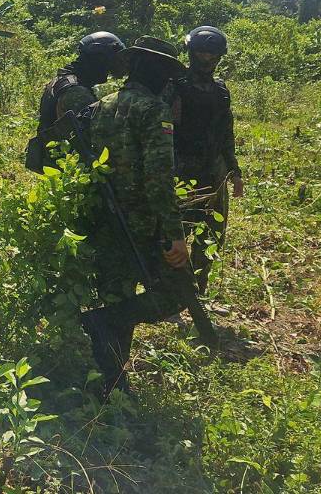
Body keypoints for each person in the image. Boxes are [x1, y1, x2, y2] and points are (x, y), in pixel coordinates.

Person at [77, 36, 192, 398]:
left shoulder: (100, 106)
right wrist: (175, 234)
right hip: (142, 226)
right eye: (165, 72)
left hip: (103, 220)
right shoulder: (153, 110)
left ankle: (112, 383)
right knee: (175, 293)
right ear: (154, 71)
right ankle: (102, 336)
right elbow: (159, 179)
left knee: (116, 296)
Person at [171, 26, 244, 296]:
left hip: (214, 173)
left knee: (211, 234)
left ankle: (198, 293)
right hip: (181, 173)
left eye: (213, 56)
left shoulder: (220, 90)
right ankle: (173, 295)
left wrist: (235, 171)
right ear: (191, 53)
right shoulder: (174, 87)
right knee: (176, 235)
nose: (207, 60)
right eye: (202, 54)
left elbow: (226, 133)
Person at [38, 31, 126, 135]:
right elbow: (95, 135)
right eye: (108, 66)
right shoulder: (76, 92)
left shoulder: (63, 80)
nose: (107, 73)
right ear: (99, 59)